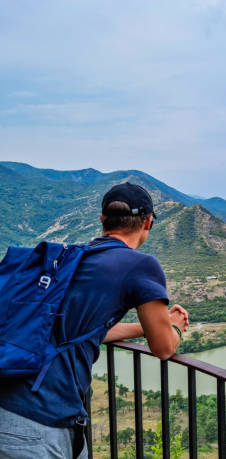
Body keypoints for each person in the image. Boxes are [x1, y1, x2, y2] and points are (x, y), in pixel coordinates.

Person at [0, 182, 188, 459]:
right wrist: (173, 327)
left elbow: (84, 331)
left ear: (102, 220)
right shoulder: (140, 265)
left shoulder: (72, 258)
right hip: (37, 424)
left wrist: (143, 328)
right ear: (148, 222)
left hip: (16, 408)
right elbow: (163, 348)